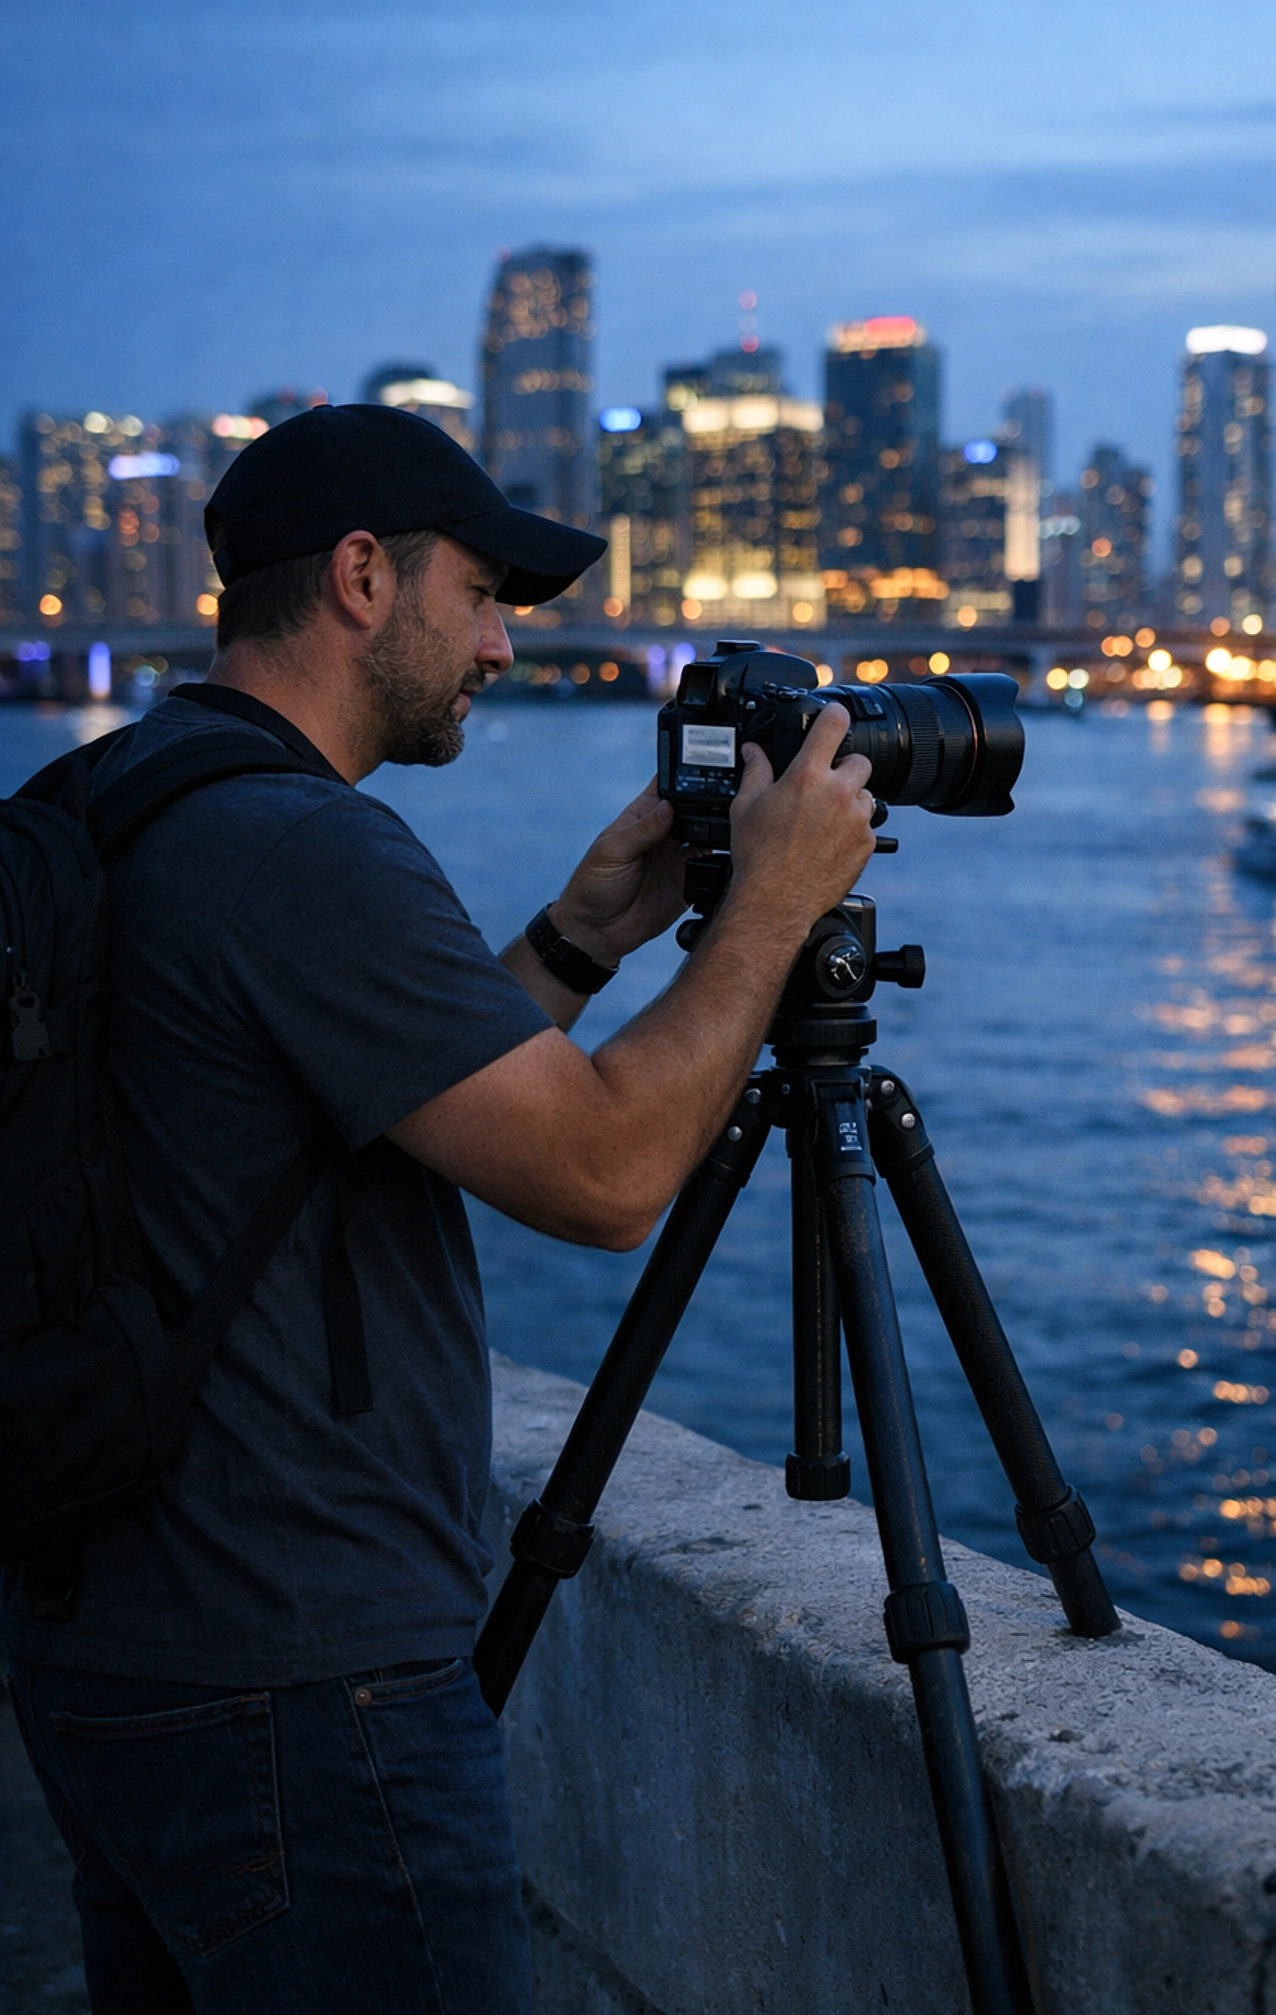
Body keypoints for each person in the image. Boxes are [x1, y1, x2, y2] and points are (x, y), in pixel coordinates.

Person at [3, 404, 877, 2015]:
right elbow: (611, 1177)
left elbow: (311, 1129)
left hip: (106, 1638)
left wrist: (575, 943)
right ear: (358, 578)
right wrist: (771, 905)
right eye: (480, 597)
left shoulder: (110, 798)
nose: (500, 646)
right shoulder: (310, 849)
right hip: (300, 1675)